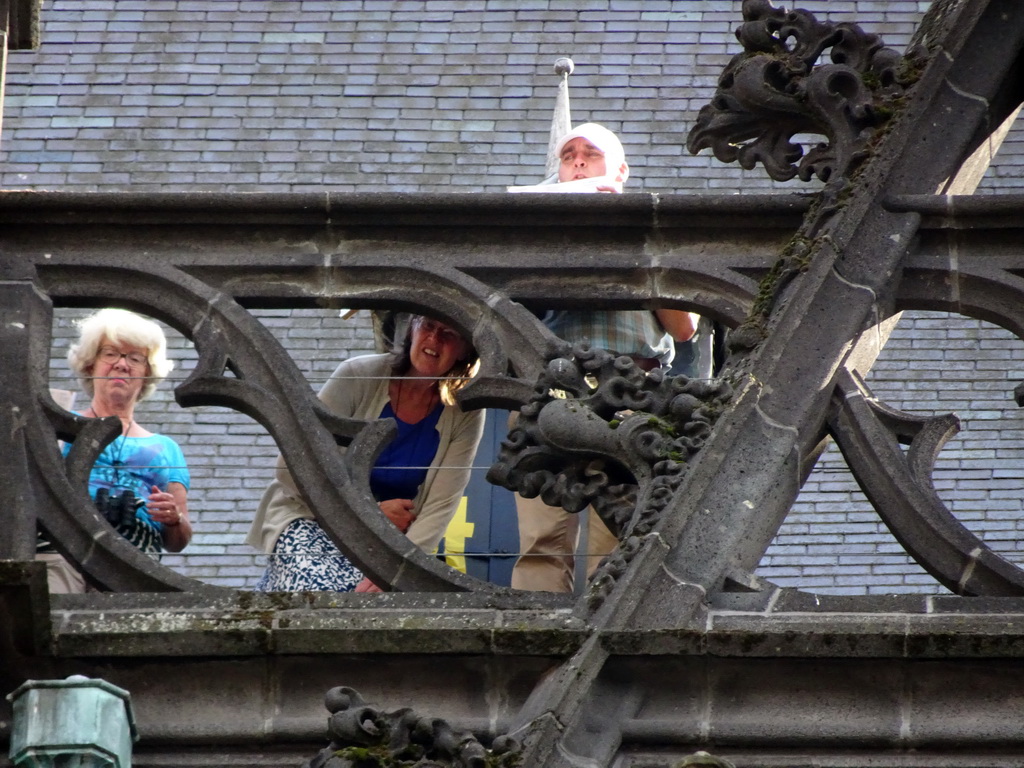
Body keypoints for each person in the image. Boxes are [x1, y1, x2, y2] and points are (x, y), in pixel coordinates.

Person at [510, 123, 700, 593]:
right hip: (554, 389)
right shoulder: (537, 236)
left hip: (633, 390)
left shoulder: (650, 231)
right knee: (541, 538)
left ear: (620, 170)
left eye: (590, 153)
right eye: (568, 154)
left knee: (620, 532)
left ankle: (607, 628)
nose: (576, 161)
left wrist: (634, 241)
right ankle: (533, 635)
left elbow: (684, 326)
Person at [247, 314, 486, 593]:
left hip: (387, 545)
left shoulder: (465, 413)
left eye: (449, 333)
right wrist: (369, 513)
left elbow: (440, 507)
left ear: (465, 351)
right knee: (324, 600)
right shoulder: (357, 374)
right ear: (411, 328)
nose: (434, 339)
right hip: (309, 520)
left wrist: (398, 573)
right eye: (428, 325)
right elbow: (292, 468)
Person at [38, 308, 193, 593]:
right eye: (110, 353)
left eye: (135, 358)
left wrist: (174, 518)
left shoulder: (166, 449)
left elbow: (178, 541)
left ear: (147, 374)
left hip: (134, 565)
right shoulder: (54, 430)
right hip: (58, 555)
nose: (122, 364)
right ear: (90, 365)